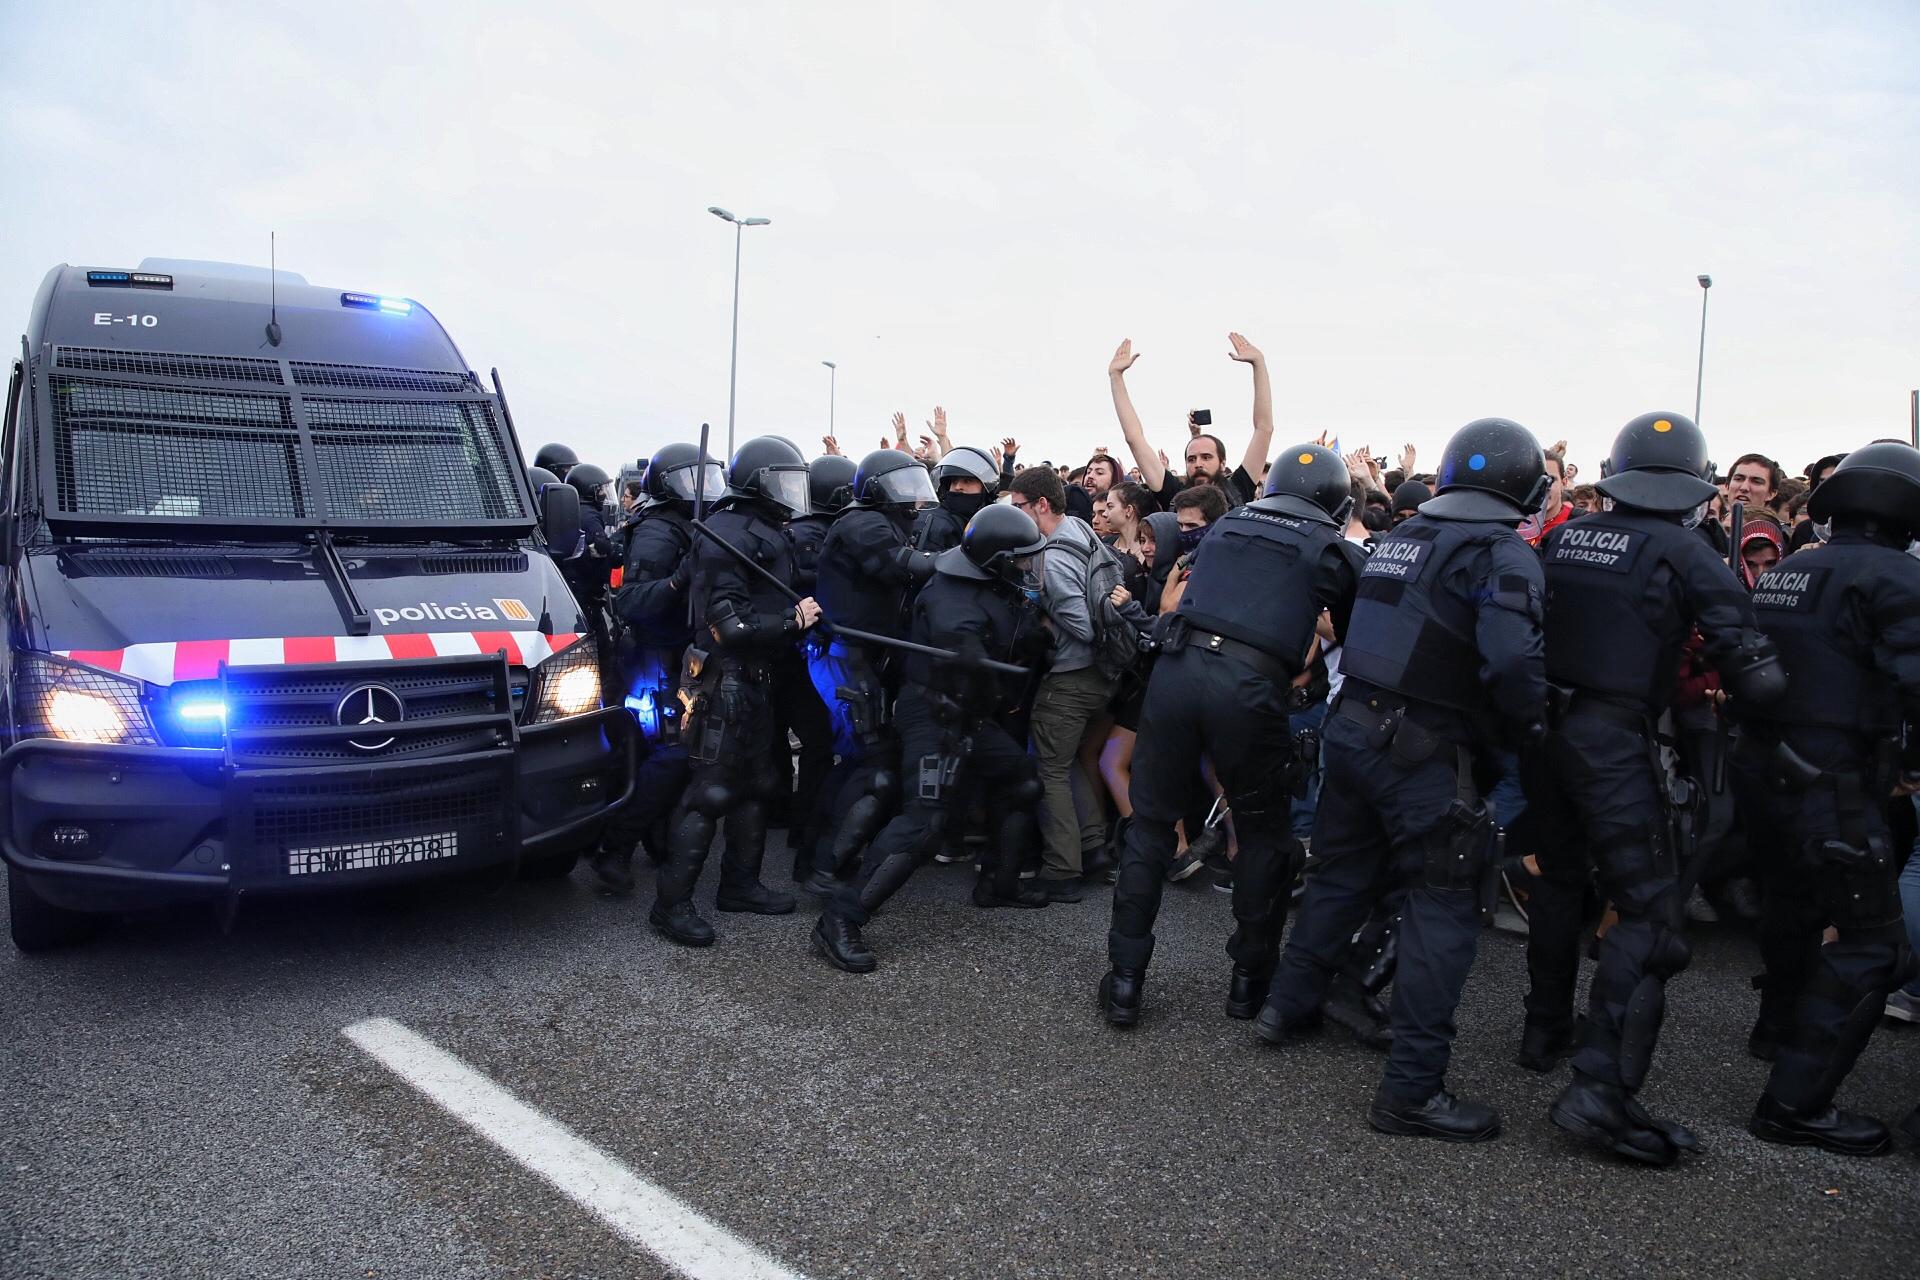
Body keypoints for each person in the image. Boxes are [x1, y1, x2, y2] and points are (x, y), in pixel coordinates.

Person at [1259, 418, 1549, 1143]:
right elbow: (1513, 663)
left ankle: (1286, 1006)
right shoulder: (1502, 552)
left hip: (1353, 726)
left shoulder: (1404, 537)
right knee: (1443, 908)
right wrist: (1528, 731)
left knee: (1341, 878)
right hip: (1422, 747)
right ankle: (1413, 1090)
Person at [1521, 411, 1785, 1166]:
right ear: (1693, 487)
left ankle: (1543, 1034)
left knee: (1560, 881)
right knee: (1652, 914)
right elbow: (1754, 671)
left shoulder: (1566, 535)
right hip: (1610, 737)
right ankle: (1601, 1091)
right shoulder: (1685, 549)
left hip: (1545, 729)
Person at [1100, 444, 1365, 1026]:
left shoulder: (1227, 525)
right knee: (1265, 834)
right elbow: (1351, 632)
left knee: (1149, 825)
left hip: (1176, 672)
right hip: (1248, 688)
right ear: (1336, 501)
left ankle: (1124, 982)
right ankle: (1248, 982)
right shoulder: (1331, 547)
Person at [1736, 442, 1920, 1155]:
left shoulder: (1793, 569)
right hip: (1836, 777)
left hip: (1767, 768)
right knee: (1872, 944)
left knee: (1791, 905)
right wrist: (1910, 766)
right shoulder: (1900, 579)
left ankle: (1777, 1028)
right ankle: (1795, 1103)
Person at [811, 504, 1054, 972]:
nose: (1028, 569)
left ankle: (1000, 884)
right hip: (934, 715)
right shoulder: (951, 601)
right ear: (996, 559)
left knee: (1022, 778)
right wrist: (987, 672)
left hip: (968, 713)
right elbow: (970, 662)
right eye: (1021, 560)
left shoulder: (991, 585)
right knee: (924, 823)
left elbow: (1010, 643)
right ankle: (840, 919)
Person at [650, 437, 823, 947]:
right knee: (712, 792)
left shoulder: (765, 529)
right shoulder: (726, 534)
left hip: (756, 678)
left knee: (758, 784)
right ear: (761, 481)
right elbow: (731, 627)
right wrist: (793, 619)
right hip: (724, 677)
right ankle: (670, 904)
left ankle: (740, 884)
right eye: (784, 480)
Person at [593, 442, 728, 893]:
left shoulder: (692, 524)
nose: (706, 488)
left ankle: (657, 838)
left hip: (680, 655)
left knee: (674, 756)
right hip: (652, 657)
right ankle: (615, 848)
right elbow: (632, 601)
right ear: (671, 483)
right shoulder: (658, 531)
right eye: (696, 478)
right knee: (668, 755)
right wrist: (677, 579)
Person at [803, 449, 939, 889]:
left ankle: (823, 860)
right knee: (872, 764)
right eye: (903, 484)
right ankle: (821, 867)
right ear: (879, 487)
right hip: (842, 655)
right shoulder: (862, 522)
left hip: (862, 655)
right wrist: (967, 557)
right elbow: (902, 566)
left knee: (862, 760)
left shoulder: (890, 523)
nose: (914, 496)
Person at [1010, 465, 1123, 900]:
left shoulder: (1053, 556)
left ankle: (1061, 869)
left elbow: (1083, 624)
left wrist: (1042, 614)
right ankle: (1093, 847)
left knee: (1048, 769)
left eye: (1020, 507)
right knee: (1068, 760)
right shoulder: (1079, 528)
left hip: (1073, 676)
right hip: (1104, 674)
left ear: (1042, 504)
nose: (1016, 516)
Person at [1108, 334, 1275, 510]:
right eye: (1191, 459)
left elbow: (1263, 428)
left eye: (1207, 457)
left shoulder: (1238, 488)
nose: (1198, 464)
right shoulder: (1173, 493)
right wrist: (1116, 376)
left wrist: (1259, 364)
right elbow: (1135, 438)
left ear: (1223, 463)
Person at [909, 445, 1000, 555]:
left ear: (986, 489)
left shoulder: (984, 523)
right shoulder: (936, 522)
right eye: (954, 481)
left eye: (967, 481)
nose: (958, 487)